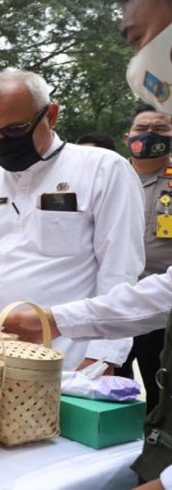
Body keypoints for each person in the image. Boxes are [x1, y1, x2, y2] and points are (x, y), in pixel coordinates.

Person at [3, 1, 172, 487]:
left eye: (139, 39)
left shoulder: (102, 169)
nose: (139, 63)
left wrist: (103, 350)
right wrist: (56, 319)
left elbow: (121, 263)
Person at [0, 68, 145, 373]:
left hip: (64, 361)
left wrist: (102, 358)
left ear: (51, 115)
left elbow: (119, 272)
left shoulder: (103, 171)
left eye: (15, 131)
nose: (2, 142)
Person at [112, 104, 172, 413]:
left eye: (160, 129)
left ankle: (157, 452)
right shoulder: (111, 177)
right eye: (141, 129)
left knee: (160, 387)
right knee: (110, 385)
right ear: (127, 137)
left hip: (161, 304)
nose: (149, 135)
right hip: (114, 299)